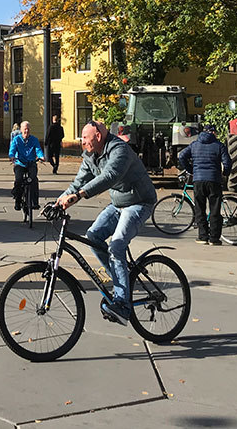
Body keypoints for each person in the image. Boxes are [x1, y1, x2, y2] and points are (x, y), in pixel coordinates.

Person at [55, 120, 157, 325]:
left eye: (85, 138)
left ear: (98, 137)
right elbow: (79, 181)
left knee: (117, 245)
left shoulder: (120, 149)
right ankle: (122, 282)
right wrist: (60, 200)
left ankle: (122, 303)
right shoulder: (90, 155)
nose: (82, 142)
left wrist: (80, 195)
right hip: (118, 204)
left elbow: (110, 176)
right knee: (93, 236)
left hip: (139, 203)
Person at [178, 124, 232, 245]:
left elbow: (181, 156)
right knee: (215, 210)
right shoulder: (219, 146)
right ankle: (214, 238)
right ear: (213, 133)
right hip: (214, 180)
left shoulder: (194, 145)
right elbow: (227, 162)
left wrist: (190, 169)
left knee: (200, 208)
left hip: (198, 180)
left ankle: (202, 237)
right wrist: (225, 174)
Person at [9, 120, 44, 210]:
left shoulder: (34, 140)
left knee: (34, 180)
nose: (26, 131)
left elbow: (38, 149)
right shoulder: (17, 139)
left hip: (31, 163)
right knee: (18, 180)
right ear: (21, 130)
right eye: (25, 129)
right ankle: (18, 200)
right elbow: (12, 149)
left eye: (28, 129)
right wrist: (12, 156)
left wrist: (41, 156)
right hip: (19, 163)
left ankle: (34, 202)